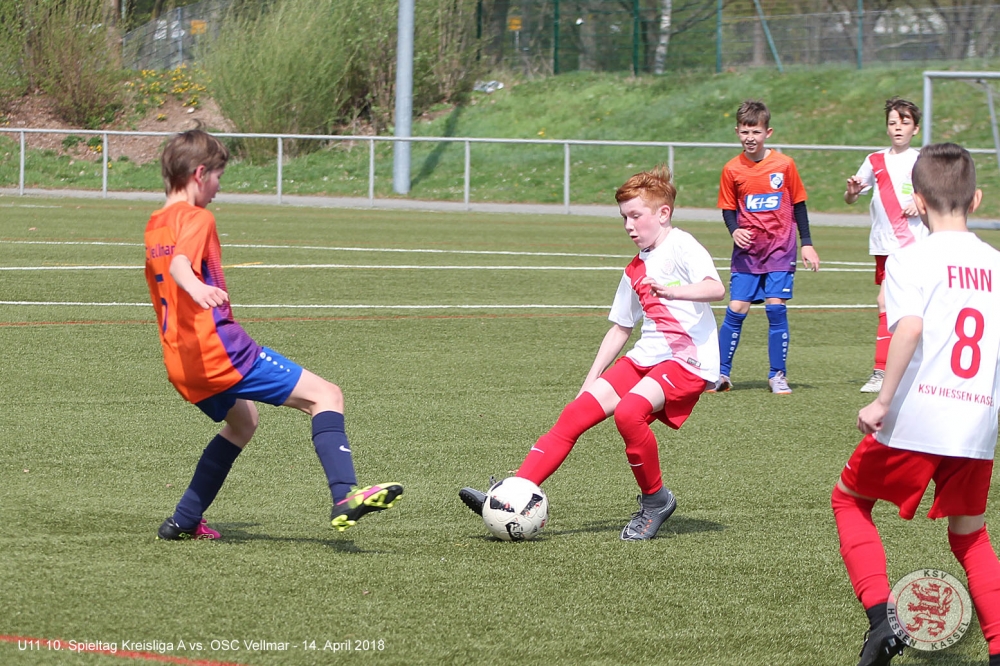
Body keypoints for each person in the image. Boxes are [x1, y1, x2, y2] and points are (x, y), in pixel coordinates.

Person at [144, 129, 402, 540]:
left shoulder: (156, 224)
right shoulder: (197, 218)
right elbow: (180, 266)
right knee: (326, 395)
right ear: (199, 173)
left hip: (181, 361)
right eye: (218, 177)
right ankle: (345, 494)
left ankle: (184, 519)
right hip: (219, 351)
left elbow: (169, 265)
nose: (219, 187)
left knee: (243, 422)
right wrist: (197, 287)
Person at [459, 165, 725, 541]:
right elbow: (620, 328)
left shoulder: (682, 245)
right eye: (624, 218)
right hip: (648, 356)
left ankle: (656, 501)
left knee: (630, 413)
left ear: (663, 213)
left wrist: (673, 291)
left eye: (636, 216)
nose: (629, 226)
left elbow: (715, 288)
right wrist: (591, 379)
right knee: (575, 414)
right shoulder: (635, 269)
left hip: (689, 360)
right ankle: (512, 494)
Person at [831, 143, 1000, 666]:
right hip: (976, 423)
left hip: (918, 417)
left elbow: (908, 328)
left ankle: (882, 621)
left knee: (849, 501)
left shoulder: (910, 257)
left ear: (918, 203)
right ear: (976, 198)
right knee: (970, 536)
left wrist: (882, 400)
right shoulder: (996, 264)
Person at [711, 99, 820, 395]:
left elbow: (799, 205)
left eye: (756, 131)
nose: (750, 137)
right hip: (748, 253)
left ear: (767, 132)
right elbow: (728, 209)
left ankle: (777, 375)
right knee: (736, 307)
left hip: (780, 249)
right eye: (745, 132)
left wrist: (807, 244)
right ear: (737, 132)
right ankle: (720, 373)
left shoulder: (784, 165)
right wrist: (735, 231)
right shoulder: (732, 169)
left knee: (775, 307)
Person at [845, 97, 925, 394]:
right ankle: (886, 371)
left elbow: (935, 196)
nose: (898, 128)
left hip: (914, 245)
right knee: (888, 304)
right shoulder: (874, 160)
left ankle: (891, 370)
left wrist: (920, 202)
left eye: (904, 123)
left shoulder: (922, 160)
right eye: (893, 123)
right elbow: (851, 197)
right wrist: (852, 192)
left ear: (915, 128)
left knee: (901, 304)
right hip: (884, 246)